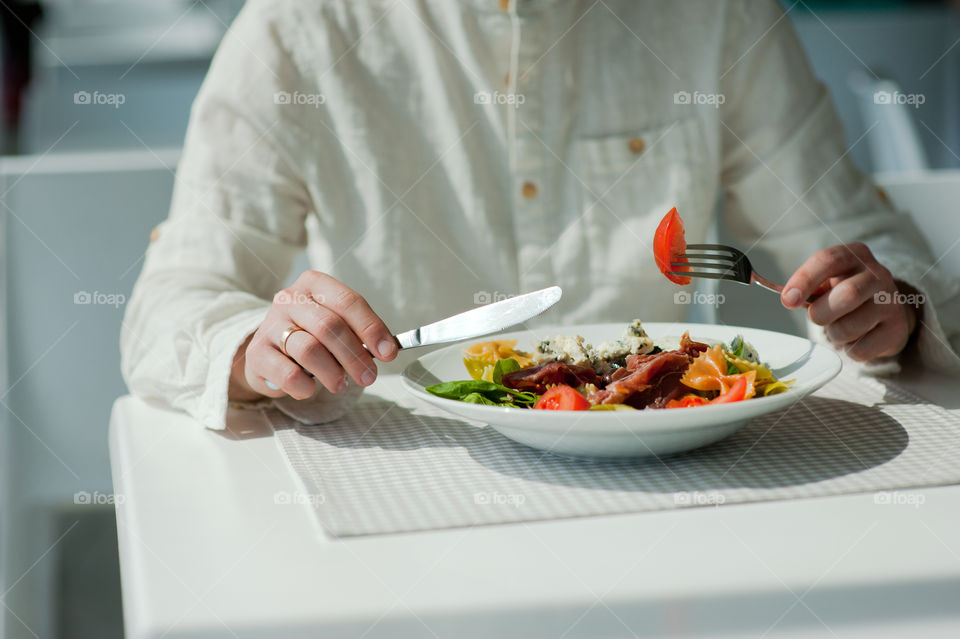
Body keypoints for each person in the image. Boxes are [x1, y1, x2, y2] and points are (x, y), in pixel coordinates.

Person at [121, 0, 960, 430]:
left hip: (674, 493)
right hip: (401, 485)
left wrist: (892, 309)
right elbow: (175, 301)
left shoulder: (716, 15)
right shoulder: (297, 28)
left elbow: (866, 245)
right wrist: (254, 349)